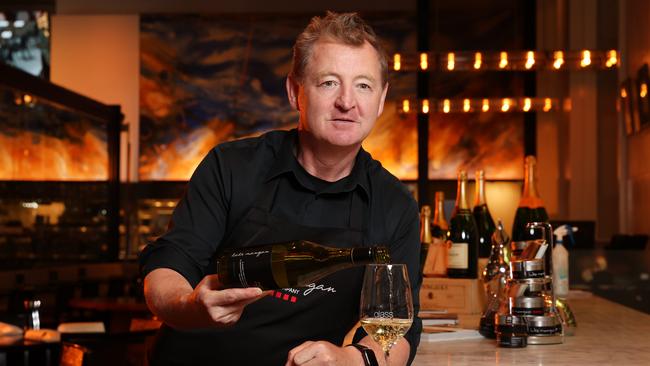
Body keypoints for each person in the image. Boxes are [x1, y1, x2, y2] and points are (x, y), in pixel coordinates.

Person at [140, 11, 422, 365]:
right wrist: (191, 306)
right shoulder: (231, 167)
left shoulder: (394, 204)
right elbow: (166, 270)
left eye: (363, 85)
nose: (347, 102)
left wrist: (348, 359)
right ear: (295, 92)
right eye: (328, 82)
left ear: (380, 100)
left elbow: (396, 328)